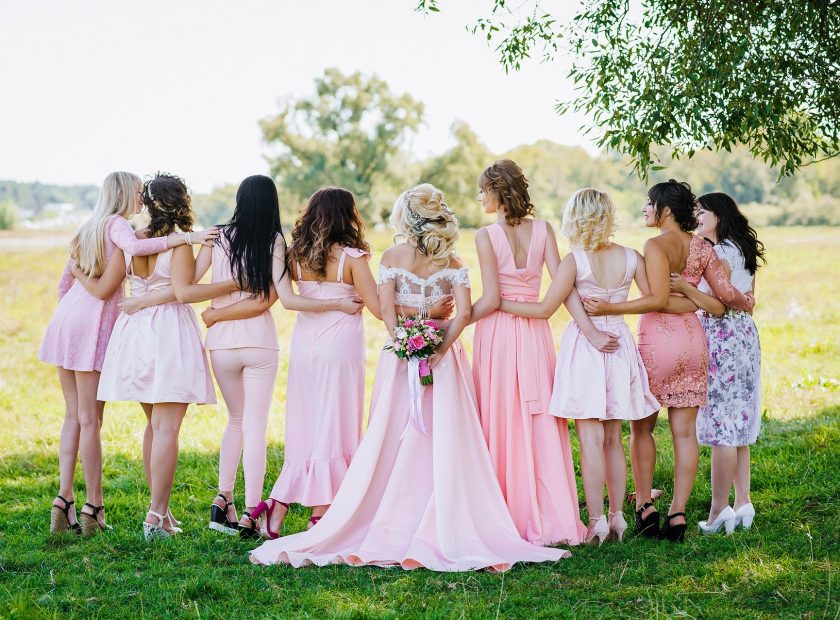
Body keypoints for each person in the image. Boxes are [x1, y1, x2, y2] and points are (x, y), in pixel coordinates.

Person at [250, 184, 569, 571]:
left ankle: (385, 512)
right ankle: (443, 516)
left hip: (398, 358)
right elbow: (464, 314)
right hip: (445, 361)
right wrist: (438, 348)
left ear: (406, 217)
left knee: (393, 433)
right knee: (444, 437)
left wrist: (405, 343)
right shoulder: (453, 262)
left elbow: (384, 310)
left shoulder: (391, 256)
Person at [39, 171, 217, 535]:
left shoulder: (117, 236)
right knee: (143, 425)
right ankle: (133, 511)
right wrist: (203, 243)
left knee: (136, 423)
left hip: (115, 332)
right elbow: (183, 288)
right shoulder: (156, 240)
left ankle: (79, 499)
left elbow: (67, 284)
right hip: (158, 331)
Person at [583, 179, 754, 542]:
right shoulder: (702, 247)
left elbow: (657, 299)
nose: (645, 209)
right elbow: (719, 305)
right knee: (685, 432)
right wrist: (692, 299)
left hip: (657, 342)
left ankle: (645, 504)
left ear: (664, 209)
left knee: (642, 428)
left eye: (649, 204)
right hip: (693, 341)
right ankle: (677, 513)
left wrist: (612, 307)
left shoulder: (655, 245)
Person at [499, 188, 661, 544]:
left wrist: (503, 304)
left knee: (590, 439)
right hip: (618, 343)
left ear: (575, 218)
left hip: (586, 348)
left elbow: (545, 309)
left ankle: (597, 520)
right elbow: (651, 299)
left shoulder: (574, 260)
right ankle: (619, 517)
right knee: (613, 437)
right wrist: (614, 310)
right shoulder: (632, 256)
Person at [93, 172, 232, 540]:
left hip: (135, 334)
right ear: (181, 201)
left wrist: (207, 247)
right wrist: (235, 283)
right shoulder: (178, 245)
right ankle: (154, 517)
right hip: (167, 333)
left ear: (150, 204)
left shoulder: (135, 240)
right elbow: (183, 291)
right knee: (167, 428)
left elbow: (172, 281)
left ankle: (164, 512)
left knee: (155, 426)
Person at [469, 160, 587, 546]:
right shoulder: (544, 230)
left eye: (483, 190)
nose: (480, 196)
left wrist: (451, 327)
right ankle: (550, 514)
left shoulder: (486, 236)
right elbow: (563, 284)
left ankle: (506, 511)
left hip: (499, 333)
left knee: (502, 415)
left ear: (498, 191)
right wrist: (586, 325)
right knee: (537, 419)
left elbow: (492, 299)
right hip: (535, 331)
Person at [669, 192, 764, 534]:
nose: (696, 216)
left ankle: (717, 510)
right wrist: (746, 301)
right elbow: (749, 298)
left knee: (723, 427)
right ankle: (743, 502)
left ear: (719, 215)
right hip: (744, 335)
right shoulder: (743, 248)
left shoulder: (719, 252)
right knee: (737, 424)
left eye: (701, 211)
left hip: (722, 335)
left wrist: (684, 287)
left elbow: (720, 299)